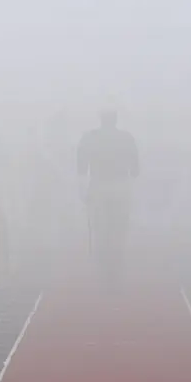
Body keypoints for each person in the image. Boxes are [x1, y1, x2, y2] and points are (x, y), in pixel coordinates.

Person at [77, 109, 139, 291]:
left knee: (99, 229)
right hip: (120, 187)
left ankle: (101, 269)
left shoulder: (89, 138)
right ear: (116, 119)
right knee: (119, 229)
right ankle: (117, 268)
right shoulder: (127, 138)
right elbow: (136, 170)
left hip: (98, 187)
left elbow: (81, 168)